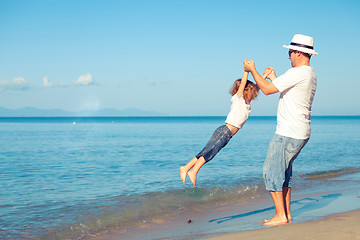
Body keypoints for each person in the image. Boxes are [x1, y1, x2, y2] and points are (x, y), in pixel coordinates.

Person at [243, 34, 318, 225]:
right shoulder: (309, 74)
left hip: (288, 132)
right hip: (300, 131)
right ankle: (286, 214)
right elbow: (288, 92)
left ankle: (280, 216)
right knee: (284, 173)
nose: (289, 56)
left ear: (299, 53)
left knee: (271, 171)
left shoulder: (297, 73)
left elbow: (267, 90)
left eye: (290, 52)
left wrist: (252, 70)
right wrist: (275, 77)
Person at [180, 69, 269, 187]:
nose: (255, 94)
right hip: (224, 131)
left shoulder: (247, 103)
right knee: (209, 153)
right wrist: (246, 71)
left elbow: (257, 87)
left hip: (227, 135)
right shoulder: (238, 99)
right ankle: (194, 171)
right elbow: (243, 84)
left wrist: (264, 76)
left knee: (206, 151)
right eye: (252, 92)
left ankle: (185, 168)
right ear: (245, 91)